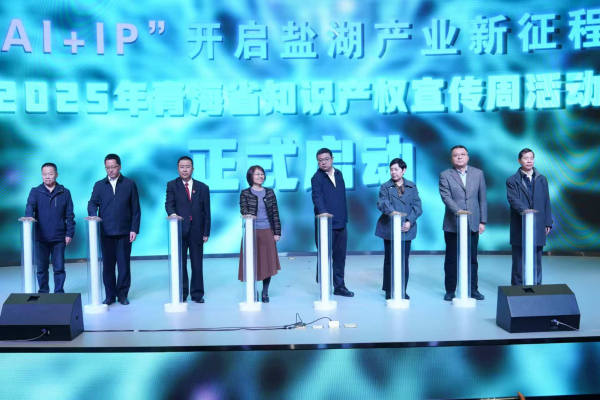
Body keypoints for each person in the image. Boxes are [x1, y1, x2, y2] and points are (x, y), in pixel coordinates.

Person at [88, 154, 141, 306]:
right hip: (105, 232)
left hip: (124, 232)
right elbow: (92, 203)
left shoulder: (129, 184)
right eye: (108, 167)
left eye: (113, 167)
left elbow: (136, 209)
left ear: (119, 166)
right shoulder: (99, 185)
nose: (110, 170)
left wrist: (134, 229)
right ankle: (110, 296)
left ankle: (123, 295)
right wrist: (93, 215)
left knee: (124, 265)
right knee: (108, 266)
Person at [439, 145, 487, 301]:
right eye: (455, 155)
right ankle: (450, 290)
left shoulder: (478, 173)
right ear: (451, 158)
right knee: (451, 259)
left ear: (468, 157)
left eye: (462, 154)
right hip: (452, 224)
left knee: (472, 258)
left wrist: (482, 220)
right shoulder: (445, 175)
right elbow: (446, 197)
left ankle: (473, 289)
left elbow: (482, 199)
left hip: (473, 222)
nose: (459, 157)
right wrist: (459, 212)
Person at [375, 158, 422, 300]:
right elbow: (382, 203)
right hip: (390, 227)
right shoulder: (385, 187)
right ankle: (389, 290)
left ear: (403, 170)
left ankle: (402, 289)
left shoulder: (411, 186)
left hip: (406, 228)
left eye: (396, 169)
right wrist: (394, 214)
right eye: (391, 170)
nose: (393, 172)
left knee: (403, 260)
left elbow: (418, 207)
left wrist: (409, 221)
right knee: (390, 260)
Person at [166, 156, 211, 303]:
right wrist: (173, 215)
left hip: (197, 230)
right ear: (178, 169)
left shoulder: (202, 187)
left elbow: (206, 212)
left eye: (187, 167)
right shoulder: (172, 185)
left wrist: (206, 232)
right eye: (182, 167)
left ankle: (197, 294)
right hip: (179, 230)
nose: (185, 170)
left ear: (192, 169)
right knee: (180, 264)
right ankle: (182, 293)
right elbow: (169, 204)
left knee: (197, 264)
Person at [24, 163, 75, 293]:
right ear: (41, 175)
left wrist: (69, 233)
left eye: (50, 174)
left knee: (59, 268)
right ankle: (43, 292)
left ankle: (59, 292)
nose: (47, 177)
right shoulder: (35, 191)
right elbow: (30, 206)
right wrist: (28, 217)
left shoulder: (65, 192)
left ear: (56, 175)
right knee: (41, 268)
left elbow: (70, 215)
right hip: (40, 237)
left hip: (59, 237)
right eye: (44, 174)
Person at [506, 148, 553, 285]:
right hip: (519, 223)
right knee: (519, 259)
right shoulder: (512, 180)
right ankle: (517, 288)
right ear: (519, 160)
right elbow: (513, 199)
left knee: (536, 258)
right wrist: (526, 211)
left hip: (538, 224)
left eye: (531, 158)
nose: (529, 161)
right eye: (526, 158)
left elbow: (546, 201)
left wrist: (547, 222)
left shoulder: (542, 179)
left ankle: (536, 286)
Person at [311, 148, 353, 297]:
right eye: (320, 160)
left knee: (340, 257)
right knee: (324, 256)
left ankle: (339, 286)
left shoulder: (339, 174)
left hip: (341, 223)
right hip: (325, 224)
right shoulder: (316, 178)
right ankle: (323, 286)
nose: (323, 162)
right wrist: (323, 214)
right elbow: (317, 199)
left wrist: (345, 218)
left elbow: (342, 199)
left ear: (332, 159)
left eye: (326, 159)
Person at [238, 166, 282, 303]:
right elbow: (243, 211)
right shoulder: (245, 193)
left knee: (267, 263)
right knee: (252, 262)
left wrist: (277, 232)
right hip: (252, 232)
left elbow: (275, 213)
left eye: (262, 174)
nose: (260, 176)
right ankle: (253, 289)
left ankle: (265, 292)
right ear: (250, 176)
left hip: (267, 230)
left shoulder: (270, 192)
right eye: (257, 174)